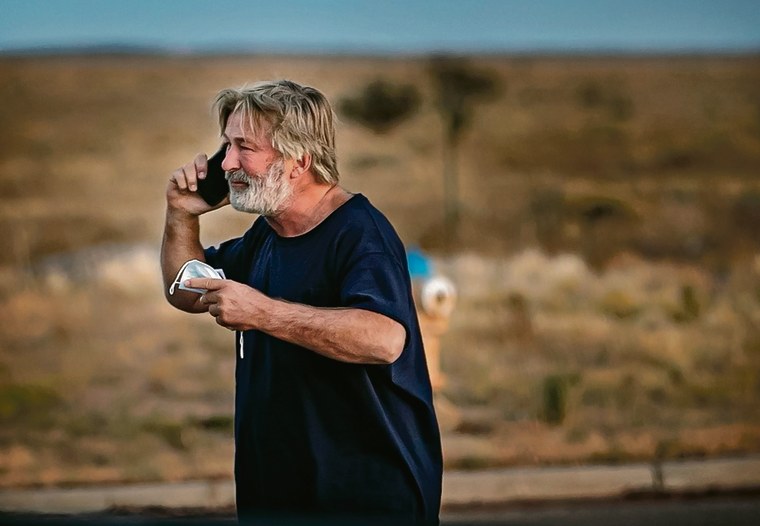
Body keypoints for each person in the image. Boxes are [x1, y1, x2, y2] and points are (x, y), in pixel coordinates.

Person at [160, 79, 442, 524]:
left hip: (363, 497)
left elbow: (384, 339)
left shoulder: (359, 233)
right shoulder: (267, 234)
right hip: (276, 492)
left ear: (299, 161)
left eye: (243, 148)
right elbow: (185, 289)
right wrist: (180, 214)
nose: (227, 162)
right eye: (225, 147)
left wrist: (263, 313)